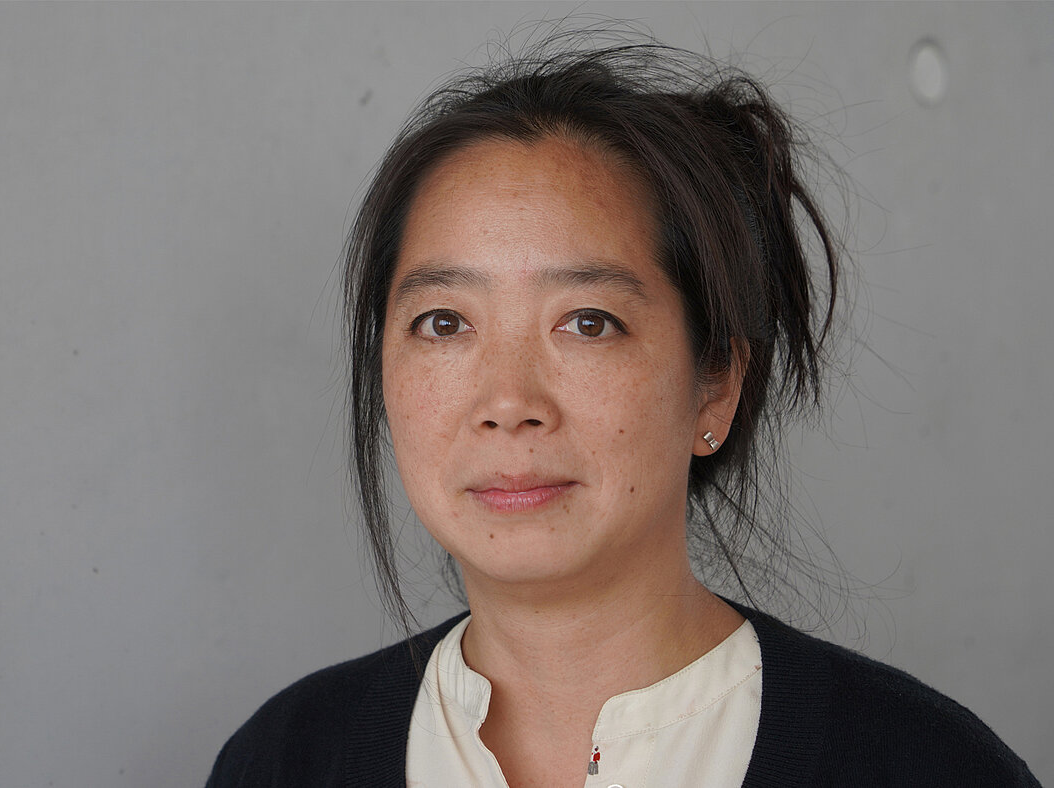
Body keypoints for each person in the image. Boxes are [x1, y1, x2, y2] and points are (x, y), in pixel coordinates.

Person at [206, 38, 1040, 787]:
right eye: (445, 324)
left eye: (588, 322)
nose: (508, 404)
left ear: (715, 384)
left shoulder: (926, 766)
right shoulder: (284, 759)